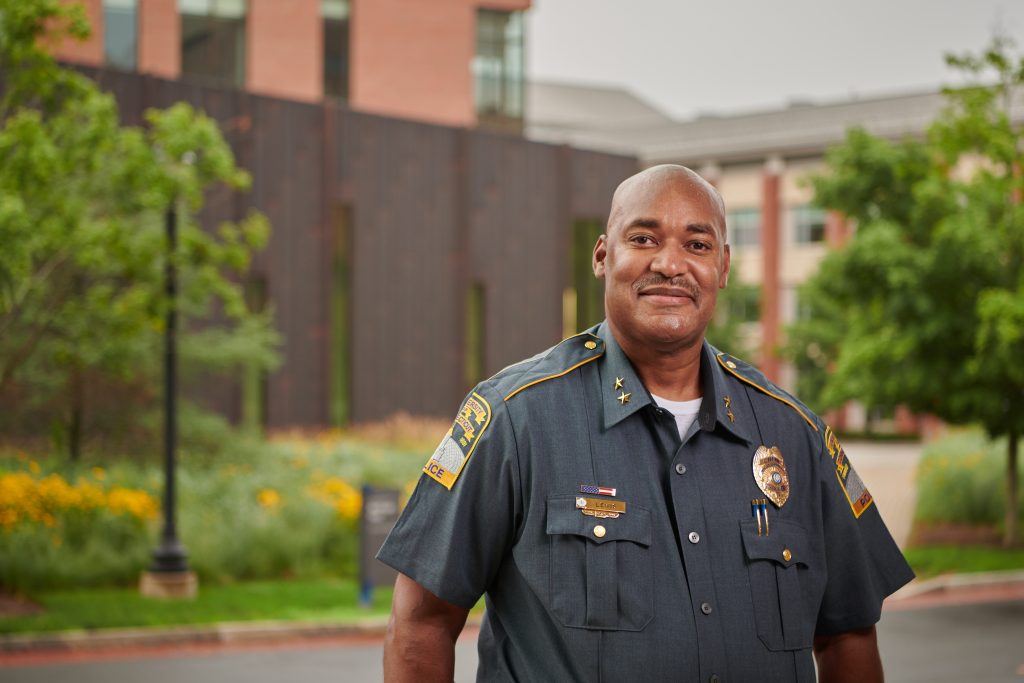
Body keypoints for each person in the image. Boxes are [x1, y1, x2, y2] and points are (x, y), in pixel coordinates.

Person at [377, 164, 914, 682]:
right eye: (644, 239)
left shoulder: (795, 435)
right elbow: (421, 622)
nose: (670, 264)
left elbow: (849, 638)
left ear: (723, 268)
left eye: (697, 245)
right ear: (603, 256)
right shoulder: (515, 420)